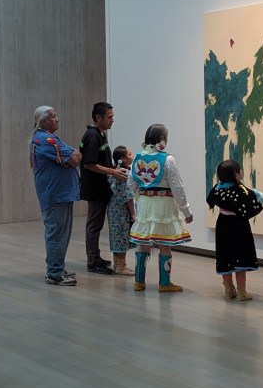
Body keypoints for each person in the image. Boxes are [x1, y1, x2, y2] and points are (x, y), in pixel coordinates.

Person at [128, 124, 193, 293]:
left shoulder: (137, 158)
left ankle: (139, 281)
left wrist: (139, 197)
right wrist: (186, 211)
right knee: (164, 243)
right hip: (163, 204)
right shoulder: (168, 159)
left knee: (143, 242)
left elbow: (131, 183)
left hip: (144, 203)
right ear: (162, 139)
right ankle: (164, 283)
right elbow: (178, 188)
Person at [30, 106, 82, 286]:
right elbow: (74, 159)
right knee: (56, 234)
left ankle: (57, 266)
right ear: (43, 121)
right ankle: (54, 273)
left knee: (61, 234)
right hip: (56, 194)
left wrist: (72, 156)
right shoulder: (46, 140)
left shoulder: (47, 138)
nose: (57, 119)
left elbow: (73, 156)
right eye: (53, 117)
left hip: (60, 194)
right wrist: (73, 157)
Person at [79, 102, 129, 274]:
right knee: (94, 225)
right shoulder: (92, 136)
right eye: (109, 117)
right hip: (95, 189)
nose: (112, 120)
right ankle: (92, 261)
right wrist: (112, 172)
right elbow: (89, 164)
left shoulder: (100, 134)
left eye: (112, 117)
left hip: (102, 188)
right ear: (98, 117)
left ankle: (96, 257)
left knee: (97, 225)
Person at [206, 159, 263, 301]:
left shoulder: (217, 188)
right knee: (241, 258)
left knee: (225, 256)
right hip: (239, 226)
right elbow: (252, 205)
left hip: (222, 223)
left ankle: (228, 290)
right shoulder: (241, 190)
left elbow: (210, 200)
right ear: (236, 175)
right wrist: (260, 199)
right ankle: (242, 292)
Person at [106, 145, 136, 275]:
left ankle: (117, 264)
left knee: (116, 235)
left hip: (113, 208)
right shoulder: (123, 174)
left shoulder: (115, 171)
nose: (132, 155)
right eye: (129, 154)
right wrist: (133, 213)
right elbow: (128, 196)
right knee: (122, 236)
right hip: (121, 210)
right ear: (123, 159)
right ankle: (121, 266)